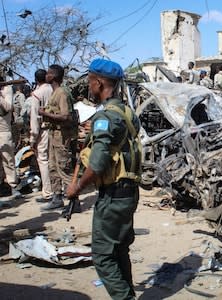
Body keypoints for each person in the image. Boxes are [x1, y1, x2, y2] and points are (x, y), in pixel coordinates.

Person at [66, 58, 141, 300]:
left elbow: (97, 164)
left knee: (102, 255)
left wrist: (77, 187)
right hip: (129, 192)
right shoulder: (128, 113)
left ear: (98, 82)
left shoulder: (106, 118)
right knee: (119, 250)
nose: (89, 87)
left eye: (89, 81)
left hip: (113, 196)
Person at [39, 64, 78, 210]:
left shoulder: (61, 93)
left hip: (62, 136)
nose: (46, 76)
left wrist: (45, 114)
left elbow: (65, 116)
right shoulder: (54, 92)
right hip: (54, 134)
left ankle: (74, 201)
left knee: (64, 168)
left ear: (54, 76)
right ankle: (57, 198)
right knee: (53, 167)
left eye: (48, 73)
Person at [30, 69, 54, 203]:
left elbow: (35, 118)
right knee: (54, 160)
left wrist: (33, 138)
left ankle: (48, 192)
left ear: (36, 79)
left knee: (43, 160)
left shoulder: (37, 94)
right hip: (55, 130)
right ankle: (58, 189)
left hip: (43, 130)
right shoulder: (54, 90)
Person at [0, 75, 20, 197]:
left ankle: (12, 185)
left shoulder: (6, 91)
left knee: (8, 160)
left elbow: (8, 107)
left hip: (3, 131)